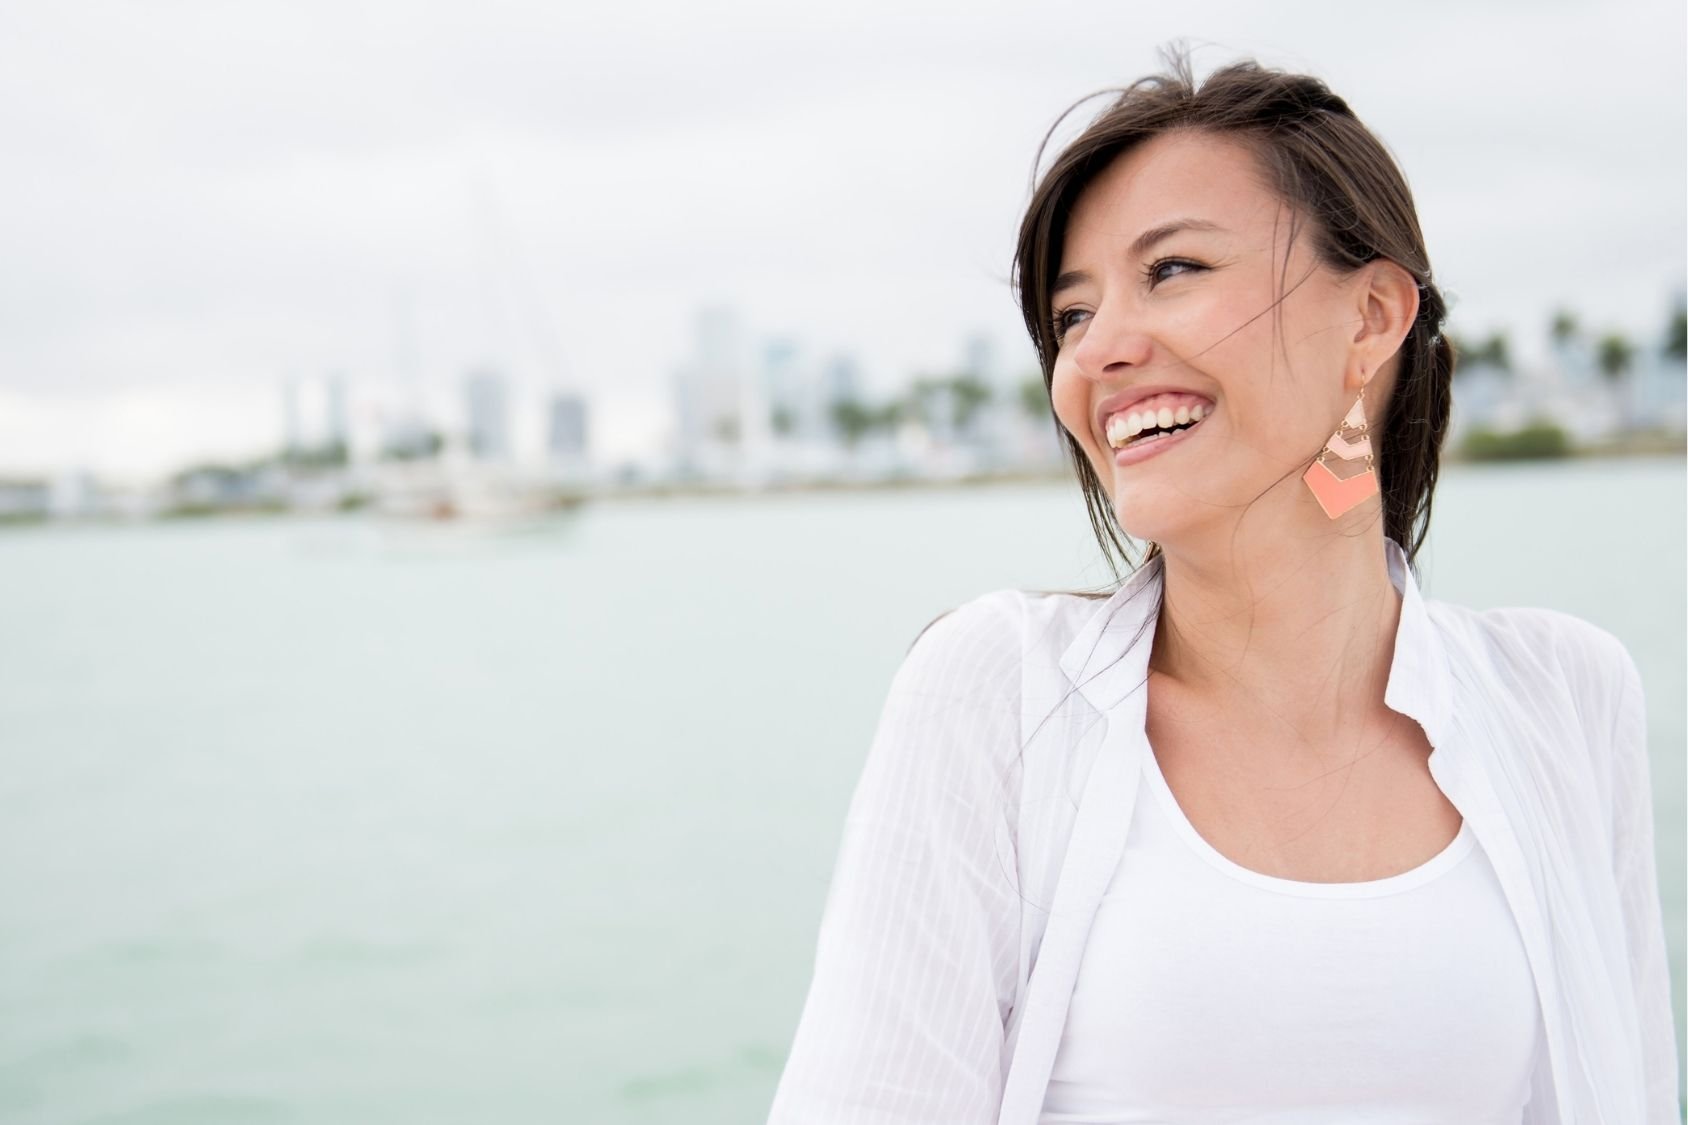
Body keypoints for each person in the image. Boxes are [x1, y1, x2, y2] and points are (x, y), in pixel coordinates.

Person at [767, 48, 1680, 1125]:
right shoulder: (995, 695)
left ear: (1371, 318)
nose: (1096, 353)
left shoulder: (1565, 695)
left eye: (1171, 271)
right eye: (1069, 316)